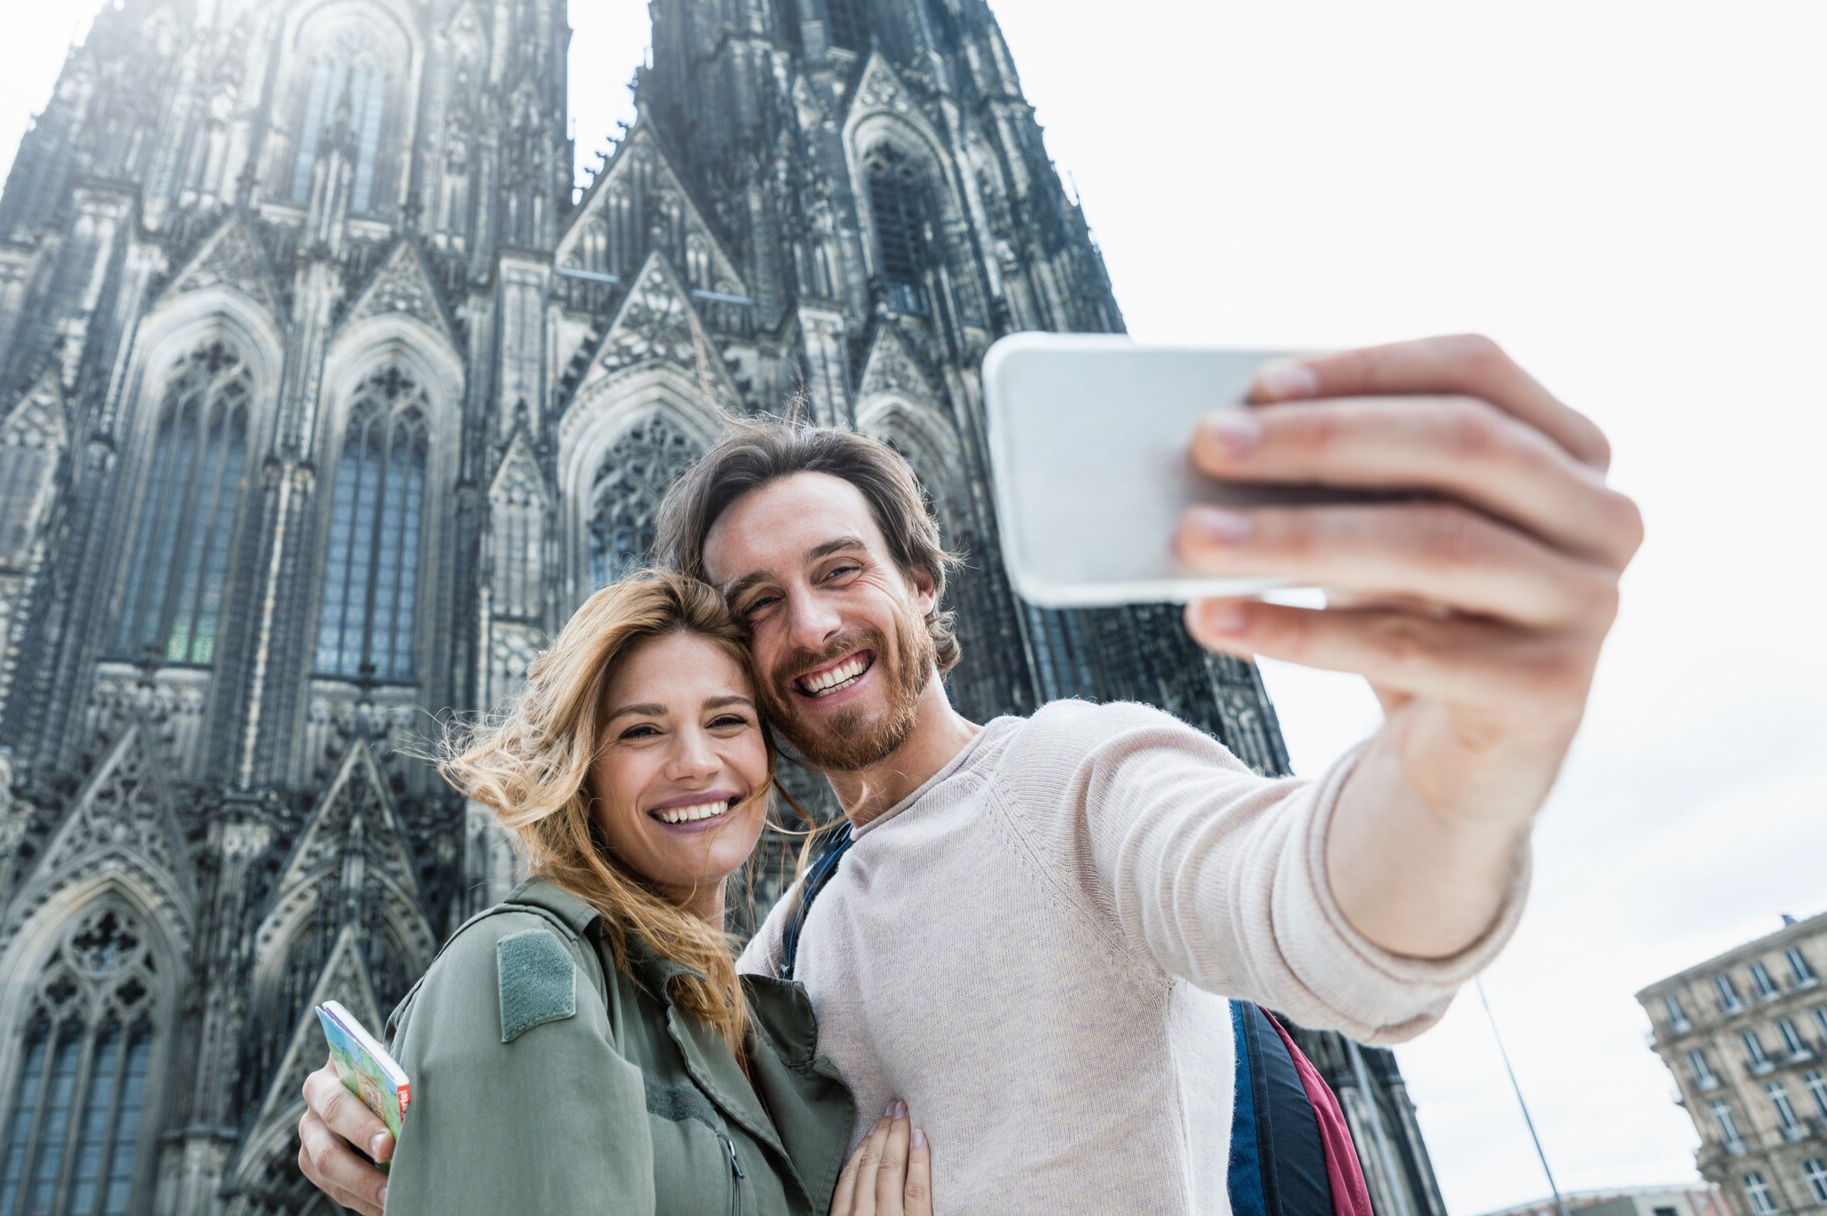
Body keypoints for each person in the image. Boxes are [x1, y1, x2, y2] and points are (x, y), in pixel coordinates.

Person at [301, 336, 1642, 1212]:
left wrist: (1462, 764)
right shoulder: (774, 954)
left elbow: (1320, 914)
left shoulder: (1076, 778)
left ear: (922, 582)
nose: (812, 627)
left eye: (839, 571)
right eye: (758, 603)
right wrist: (437, 1164)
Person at [371, 571, 935, 1215]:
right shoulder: (525, 967)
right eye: (641, 731)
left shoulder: (765, 1024)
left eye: (726, 719)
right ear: (579, 765)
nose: (695, 761)